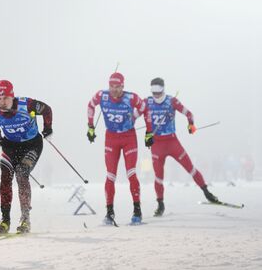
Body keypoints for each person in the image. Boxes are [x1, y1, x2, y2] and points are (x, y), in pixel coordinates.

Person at [0, 80, 52, 234]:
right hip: (10, 146)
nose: (2, 102)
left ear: (12, 96)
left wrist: (47, 128)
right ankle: (5, 220)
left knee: (21, 173)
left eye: (6, 98)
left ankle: (25, 218)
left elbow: (47, 109)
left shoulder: (26, 105)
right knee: (5, 176)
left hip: (32, 144)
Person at [145, 78, 219, 216]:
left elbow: (189, 114)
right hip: (157, 145)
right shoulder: (147, 102)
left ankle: (207, 193)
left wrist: (190, 125)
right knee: (158, 177)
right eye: (153, 92)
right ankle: (160, 205)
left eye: (158, 92)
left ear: (163, 89)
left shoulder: (172, 101)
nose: (156, 96)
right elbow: (134, 114)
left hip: (172, 143)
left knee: (190, 168)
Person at [86, 72, 152, 224]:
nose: (114, 90)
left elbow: (145, 109)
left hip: (129, 138)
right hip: (111, 139)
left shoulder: (131, 97)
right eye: (112, 87)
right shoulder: (102, 96)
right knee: (110, 175)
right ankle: (109, 213)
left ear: (123, 86)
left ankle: (137, 211)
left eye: (118, 87)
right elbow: (90, 105)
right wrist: (90, 127)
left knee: (131, 173)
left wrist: (149, 132)